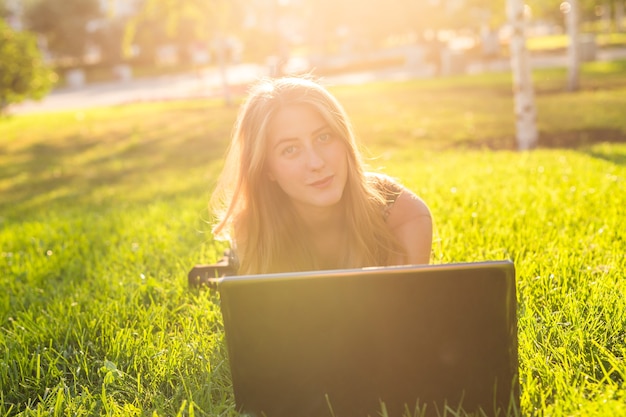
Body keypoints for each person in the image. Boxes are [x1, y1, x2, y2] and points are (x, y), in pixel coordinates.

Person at [211, 76, 432, 275]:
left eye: (324, 137)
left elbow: (401, 310)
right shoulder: (254, 227)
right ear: (266, 168)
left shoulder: (403, 215)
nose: (316, 163)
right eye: (290, 150)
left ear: (345, 140)